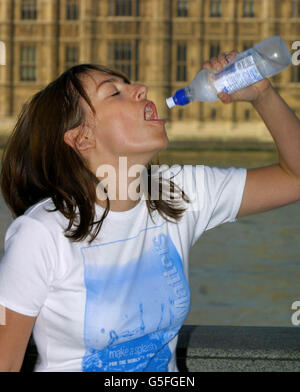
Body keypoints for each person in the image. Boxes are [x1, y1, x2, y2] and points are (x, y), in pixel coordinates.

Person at [0, 50, 300, 373]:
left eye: (128, 84)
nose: (140, 88)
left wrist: (262, 94)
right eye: (114, 92)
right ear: (82, 138)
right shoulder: (40, 234)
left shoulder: (176, 193)